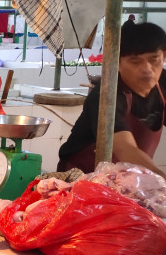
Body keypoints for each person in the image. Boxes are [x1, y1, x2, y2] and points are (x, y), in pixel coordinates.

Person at [58, 22, 166, 178]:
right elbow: (124, 148)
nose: (147, 69)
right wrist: (161, 177)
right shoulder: (106, 95)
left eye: (154, 59)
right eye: (135, 61)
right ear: (118, 62)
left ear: (164, 55)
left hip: (130, 181)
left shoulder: (163, 83)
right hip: (82, 179)